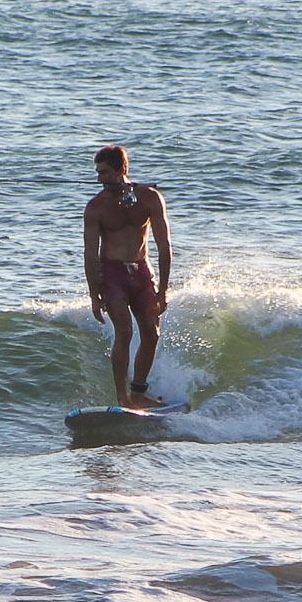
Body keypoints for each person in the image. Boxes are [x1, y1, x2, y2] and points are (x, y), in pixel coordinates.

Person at [83, 145, 172, 409]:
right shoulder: (96, 207)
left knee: (152, 334)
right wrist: (94, 294)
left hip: (142, 270)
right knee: (124, 331)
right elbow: (90, 254)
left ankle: (138, 392)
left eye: (106, 173)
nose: (100, 179)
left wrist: (163, 289)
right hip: (112, 273)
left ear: (122, 169)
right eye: (98, 173)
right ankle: (122, 398)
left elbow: (164, 246)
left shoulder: (150, 198)